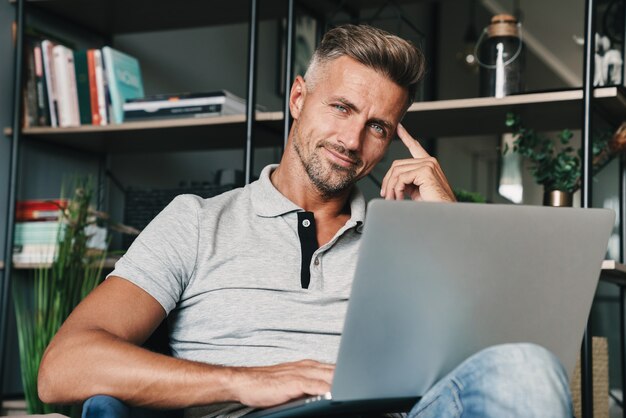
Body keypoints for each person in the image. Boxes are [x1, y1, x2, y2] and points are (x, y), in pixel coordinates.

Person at [38, 24, 572, 417]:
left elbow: (504, 372)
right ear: (298, 97)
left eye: (378, 128)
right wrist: (248, 381)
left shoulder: (411, 236)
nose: (351, 141)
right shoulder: (197, 223)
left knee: (527, 366)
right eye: (341, 108)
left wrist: (447, 228)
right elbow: (64, 368)